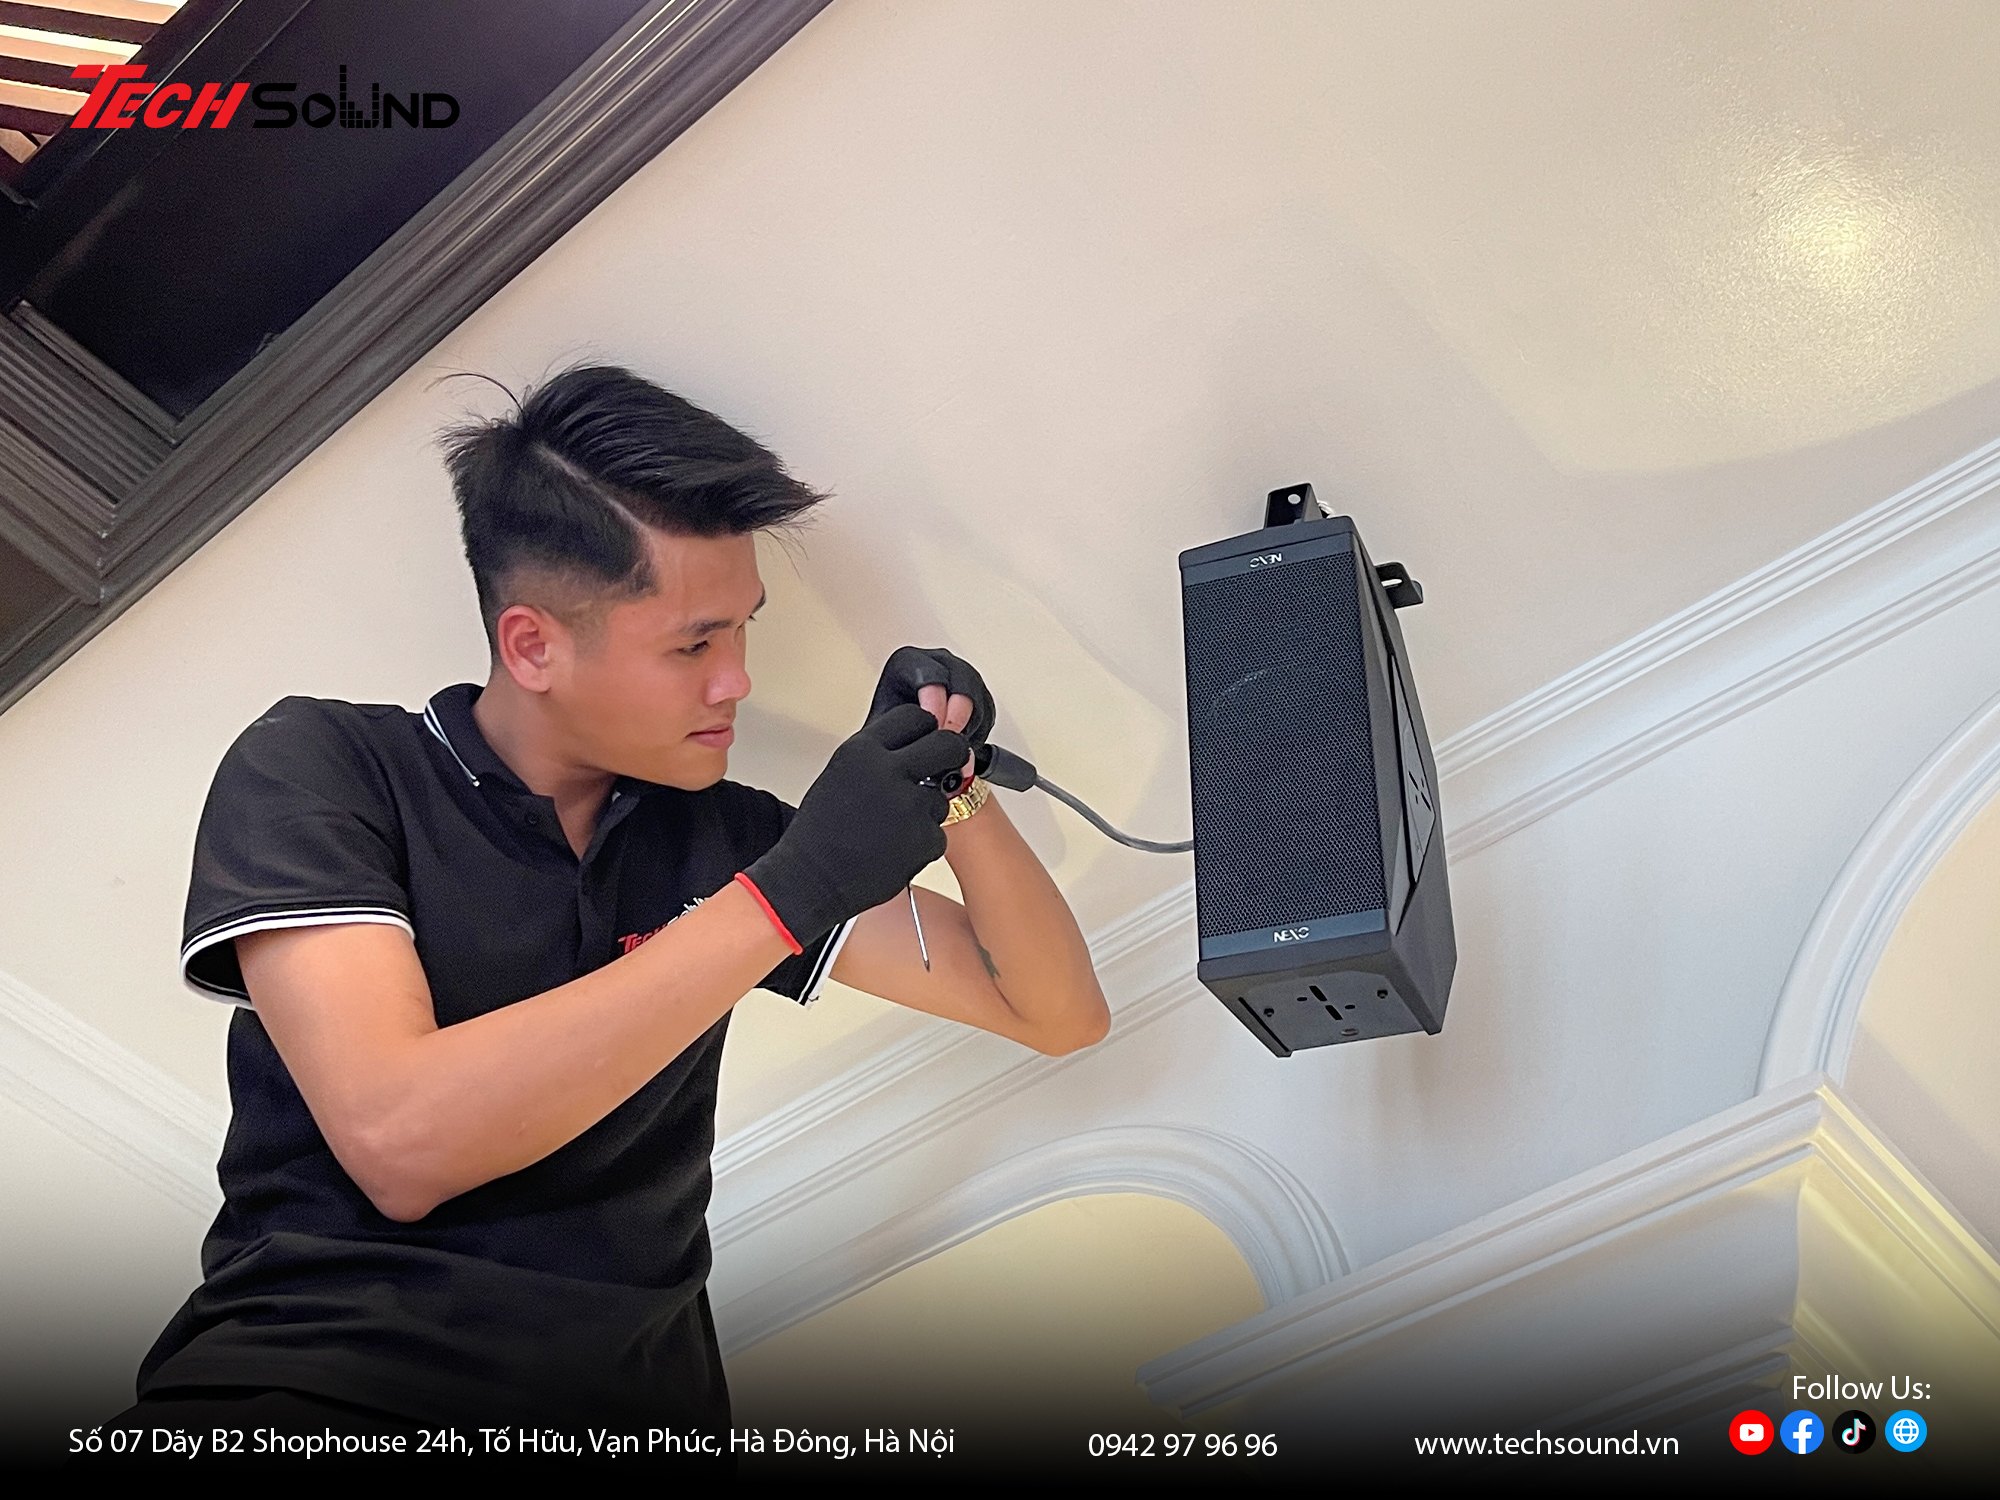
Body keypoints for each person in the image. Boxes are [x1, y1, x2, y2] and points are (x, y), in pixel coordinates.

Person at [104, 362, 1112, 1450]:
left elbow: (1052, 1012)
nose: (736, 680)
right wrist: (789, 893)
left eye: (743, 629)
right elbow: (401, 1144)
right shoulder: (326, 767)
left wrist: (945, 781)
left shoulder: (725, 840)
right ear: (532, 644)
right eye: (693, 643)